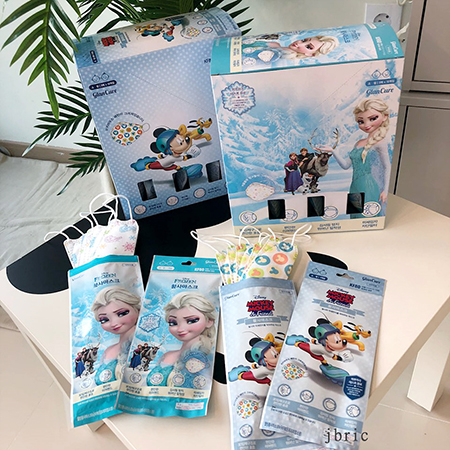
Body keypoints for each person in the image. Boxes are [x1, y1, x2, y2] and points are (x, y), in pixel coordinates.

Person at [317, 98, 391, 216]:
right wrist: (333, 151)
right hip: (355, 185)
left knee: (367, 215)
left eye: (373, 119)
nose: (367, 125)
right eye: (361, 121)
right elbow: (346, 165)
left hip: (368, 185)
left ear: (385, 116)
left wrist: (385, 191)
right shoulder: (359, 143)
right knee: (355, 216)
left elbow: (387, 167)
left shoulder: (380, 143)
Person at [147, 292, 217, 387]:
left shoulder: (208, 357)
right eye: (173, 323)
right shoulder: (167, 355)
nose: (180, 329)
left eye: (191, 321)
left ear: (209, 321)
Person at [91, 287, 141, 383]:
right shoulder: (108, 351)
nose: (114, 324)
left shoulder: (145, 347)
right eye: (104, 320)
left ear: (138, 310)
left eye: (122, 314)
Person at [266, 35, 339, 59]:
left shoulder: (287, 54)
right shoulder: (276, 45)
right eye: (304, 40)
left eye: (309, 47)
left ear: (311, 54)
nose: (299, 44)